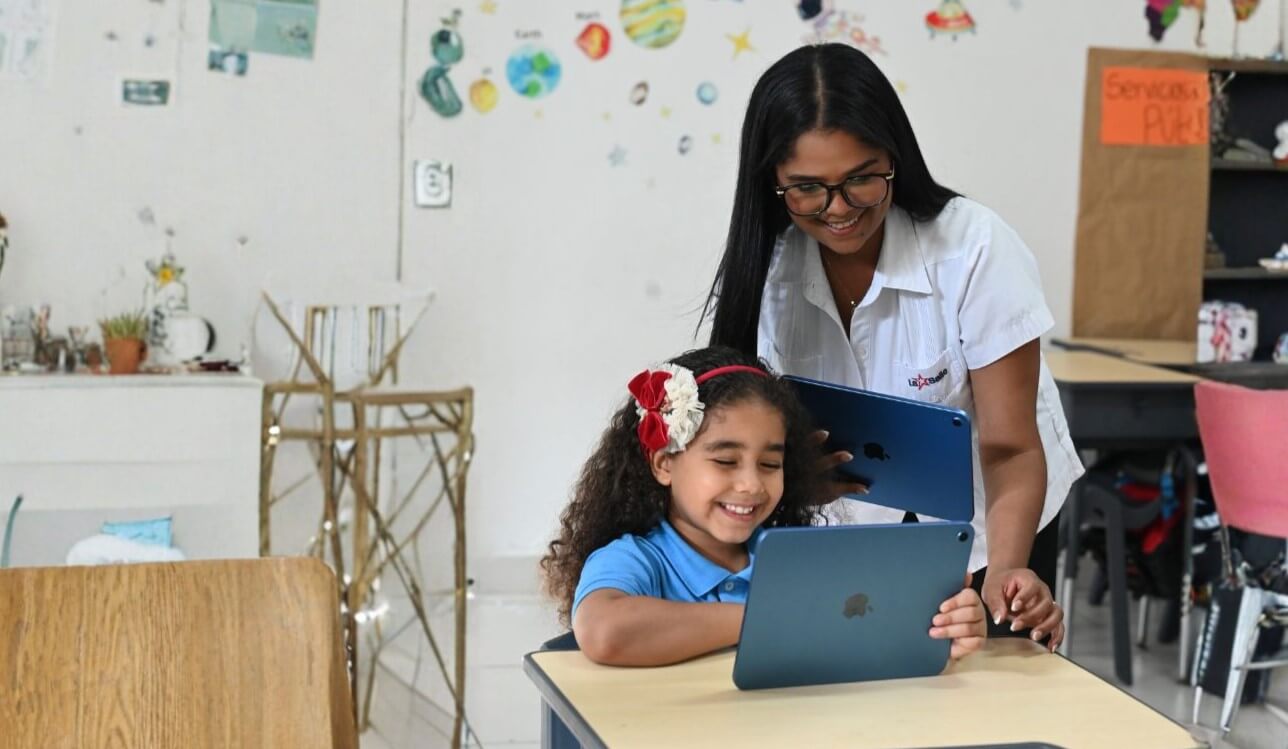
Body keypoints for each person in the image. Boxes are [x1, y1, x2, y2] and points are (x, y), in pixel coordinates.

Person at [702, 43, 1082, 646]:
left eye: (861, 180)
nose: (838, 211)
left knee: (980, 703)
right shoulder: (771, 266)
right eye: (807, 189)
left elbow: (1010, 449)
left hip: (997, 516)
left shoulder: (973, 249)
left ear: (895, 160)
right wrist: (798, 479)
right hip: (846, 525)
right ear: (772, 183)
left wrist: (1007, 571)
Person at [541, 347, 987, 666]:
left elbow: (867, 636)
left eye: (770, 463)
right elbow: (605, 631)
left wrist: (949, 629)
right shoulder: (635, 559)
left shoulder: (798, 558)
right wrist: (770, 620)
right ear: (663, 464)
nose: (751, 483)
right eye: (725, 460)